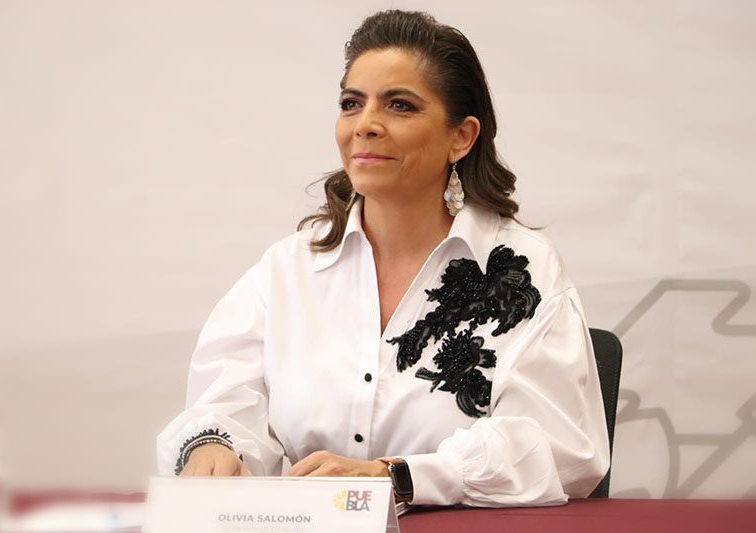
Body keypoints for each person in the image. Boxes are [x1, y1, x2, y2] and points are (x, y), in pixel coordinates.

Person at [157, 9, 609, 507]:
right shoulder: (287, 270)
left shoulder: (524, 271)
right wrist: (213, 447)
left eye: (399, 105)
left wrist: (397, 477)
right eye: (352, 104)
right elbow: (228, 404)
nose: (366, 125)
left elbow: (558, 449)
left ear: (461, 137)